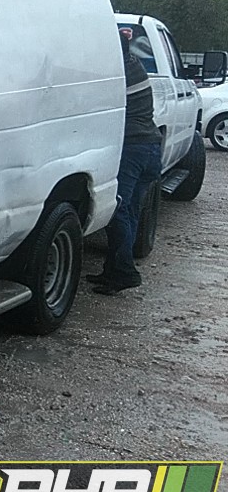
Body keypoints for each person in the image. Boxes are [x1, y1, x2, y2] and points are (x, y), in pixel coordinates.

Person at [88, 30, 164, 295]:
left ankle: (125, 273)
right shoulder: (135, 65)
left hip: (133, 150)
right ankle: (114, 269)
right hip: (150, 149)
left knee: (116, 210)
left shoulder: (117, 75)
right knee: (129, 211)